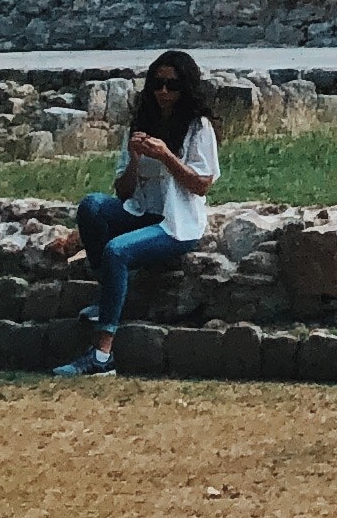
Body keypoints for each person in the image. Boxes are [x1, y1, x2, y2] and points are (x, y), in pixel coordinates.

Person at [57, 49, 222, 374]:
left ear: (185, 87)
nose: (163, 92)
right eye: (157, 84)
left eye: (171, 85)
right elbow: (123, 192)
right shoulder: (141, 125)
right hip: (141, 211)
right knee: (92, 206)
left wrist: (166, 157)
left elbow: (202, 185)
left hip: (177, 224)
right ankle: (109, 298)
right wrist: (134, 160)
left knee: (116, 251)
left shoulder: (197, 127)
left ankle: (102, 356)